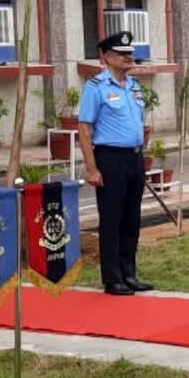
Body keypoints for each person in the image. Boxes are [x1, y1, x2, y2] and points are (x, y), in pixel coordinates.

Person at [78, 31, 151, 296]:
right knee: (112, 219)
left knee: (132, 218)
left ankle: (129, 273)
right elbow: (84, 129)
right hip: (110, 158)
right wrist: (92, 168)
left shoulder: (133, 85)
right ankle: (112, 277)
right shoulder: (95, 87)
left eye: (130, 53)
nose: (129, 57)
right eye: (122, 54)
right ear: (107, 57)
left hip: (134, 157)